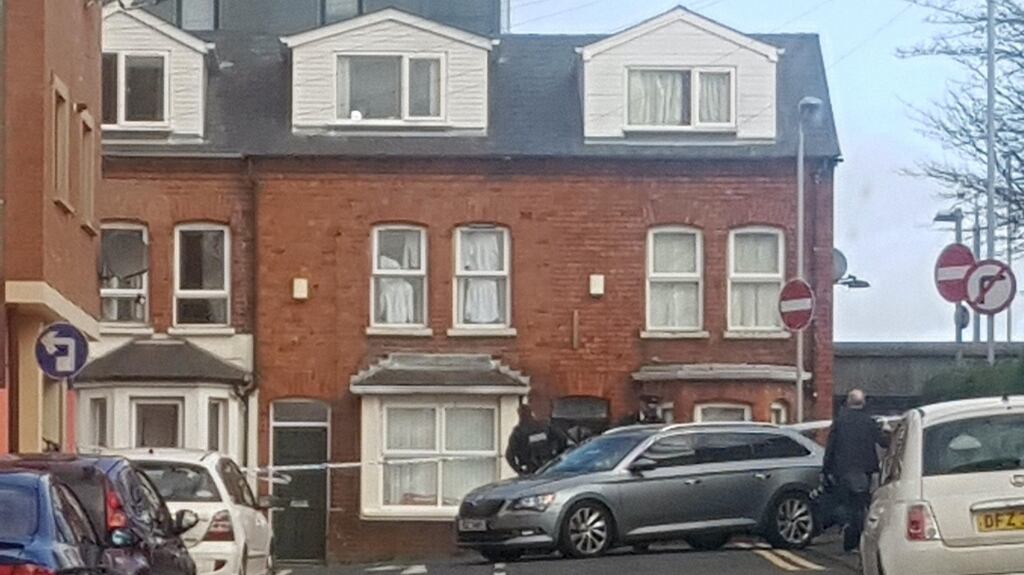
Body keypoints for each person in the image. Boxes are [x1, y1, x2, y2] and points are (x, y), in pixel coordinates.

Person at [824, 389, 890, 552]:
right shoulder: (869, 422)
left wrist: (826, 470)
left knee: (847, 505)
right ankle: (855, 541)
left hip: (843, 470)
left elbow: (830, 447)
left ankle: (847, 532)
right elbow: (884, 443)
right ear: (863, 403)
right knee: (860, 507)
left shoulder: (839, 422)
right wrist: (887, 430)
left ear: (848, 402)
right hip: (865, 470)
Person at [505, 404, 560, 476]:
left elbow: (561, 439)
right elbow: (509, 455)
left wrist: (519, 471)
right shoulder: (543, 426)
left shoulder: (519, 432)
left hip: (544, 467)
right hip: (540, 468)